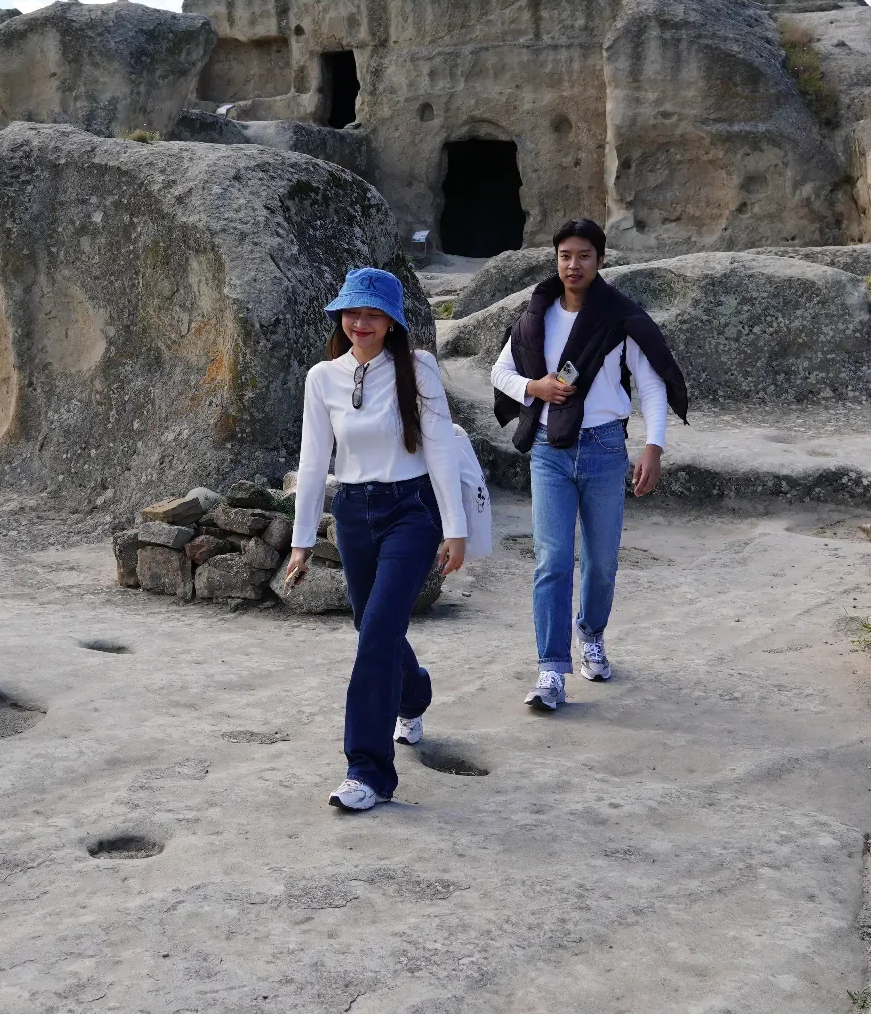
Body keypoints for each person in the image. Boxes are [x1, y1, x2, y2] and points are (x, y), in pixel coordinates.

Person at [286, 267, 467, 812]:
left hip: (412, 512)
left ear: (392, 321)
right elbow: (314, 462)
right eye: (351, 312)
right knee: (371, 625)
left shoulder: (419, 369)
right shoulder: (322, 377)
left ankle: (367, 771)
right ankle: (414, 693)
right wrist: (299, 542)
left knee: (376, 635)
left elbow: (440, 449)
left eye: (372, 313)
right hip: (353, 512)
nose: (360, 323)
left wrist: (454, 528)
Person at [490, 219, 687, 711]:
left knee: (600, 562)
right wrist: (533, 389)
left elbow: (652, 385)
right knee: (552, 561)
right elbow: (500, 371)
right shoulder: (536, 314)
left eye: (583, 255)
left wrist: (654, 447)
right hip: (547, 449)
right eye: (564, 256)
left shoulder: (619, 317)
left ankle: (591, 636)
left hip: (603, 450)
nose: (572, 265)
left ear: (600, 260)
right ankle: (550, 670)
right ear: (554, 260)